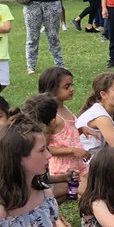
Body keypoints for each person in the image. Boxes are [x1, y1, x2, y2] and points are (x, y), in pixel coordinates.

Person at [40, 67, 89, 198]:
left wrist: (80, 130)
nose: (72, 89)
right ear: (52, 90)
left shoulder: (65, 108)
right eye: (67, 87)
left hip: (78, 165)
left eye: (72, 85)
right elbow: (44, 148)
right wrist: (72, 150)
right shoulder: (52, 117)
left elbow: (64, 136)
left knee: (99, 182)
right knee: (88, 191)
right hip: (62, 170)